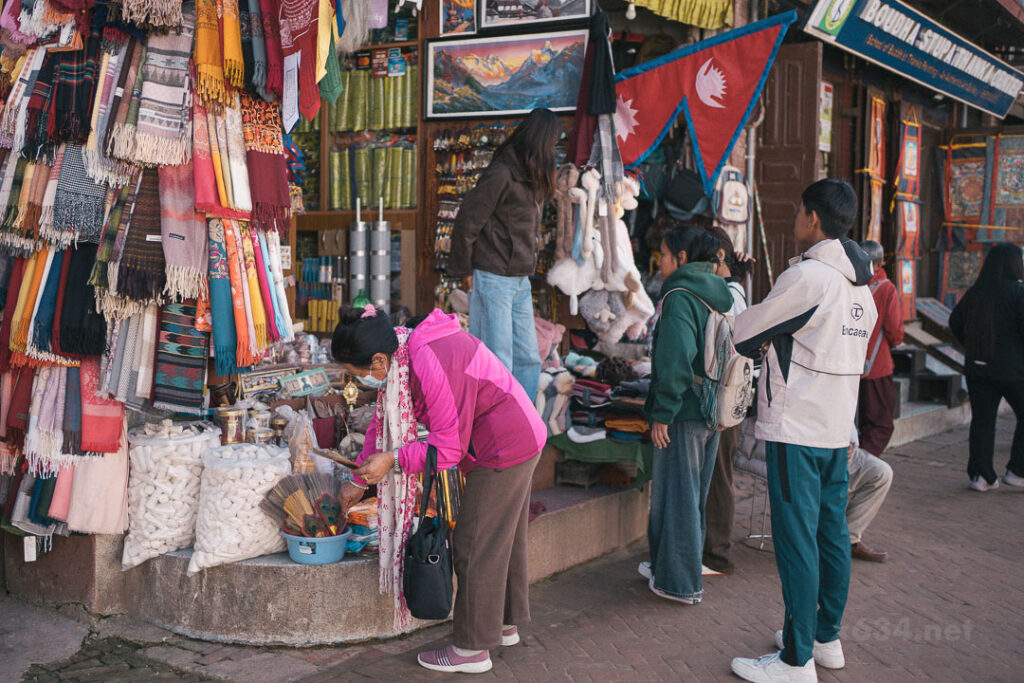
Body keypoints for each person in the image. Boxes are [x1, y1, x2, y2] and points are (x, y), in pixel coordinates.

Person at [333, 306, 547, 674]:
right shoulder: (404, 355)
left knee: (474, 543)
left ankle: (471, 650)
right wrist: (357, 479)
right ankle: (502, 624)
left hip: (503, 445)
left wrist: (394, 460)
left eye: (359, 374)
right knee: (502, 538)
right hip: (513, 436)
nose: (359, 382)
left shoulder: (431, 358)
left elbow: (448, 449)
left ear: (379, 360)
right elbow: (380, 427)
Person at [730, 179, 877, 683]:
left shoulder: (810, 277)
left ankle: (796, 660)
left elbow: (746, 332)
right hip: (837, 429)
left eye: (798, 211)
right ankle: (824, 637)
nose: (794, 218)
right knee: (831, 535)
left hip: (798, 427)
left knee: (797, 542)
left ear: (812, 218)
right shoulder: (863, 287)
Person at [640, 225, 733, 604]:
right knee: (690, 496)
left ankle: (679, 583)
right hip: (710, 407)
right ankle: (670, 568)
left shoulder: (679, 296)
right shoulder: (716, 292)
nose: (659, 262)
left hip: (685, 410)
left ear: (681, 258)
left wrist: (663, 412)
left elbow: (675, 359)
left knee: (677, 495)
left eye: (663, 254)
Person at [447, 108, 563, 403]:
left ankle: (521, 423)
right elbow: (467, 220)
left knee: (527, 357)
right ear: (541, 141)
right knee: (496, 360)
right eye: (553, 143)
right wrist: (464, 271)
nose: (554, 150)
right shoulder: (502, 173)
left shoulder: (530, 175)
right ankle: (496, 427)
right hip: (493, 276)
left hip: (519, 279)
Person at [949, 242, 1024, 492]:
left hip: (978, 369)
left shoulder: (976, 292)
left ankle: (982, 476)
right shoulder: (1018, 292)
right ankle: (1017, 471)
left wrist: (972, 346)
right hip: (1013, 371)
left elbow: (955, 321)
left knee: (982, 421)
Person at [703, 227, 754, 575]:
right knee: (717, 475)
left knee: (719, 476)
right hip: (726, 396)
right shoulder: (733, 290)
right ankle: (711, 550)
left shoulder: (729, 295)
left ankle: (717, 555)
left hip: (725, 397)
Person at [857, 240, 904, 459]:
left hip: (850, 364)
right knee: (880, 425)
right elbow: (895, 331)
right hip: (876, 367)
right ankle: (862, 466)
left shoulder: (850, 284)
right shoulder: (886, 289)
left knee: (859, 421)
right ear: (880, 263)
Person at [846, 426, 893, 563]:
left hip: (845, 450)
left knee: (880, 472)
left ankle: (849, 539)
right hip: (810, 448)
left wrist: (850, 443)